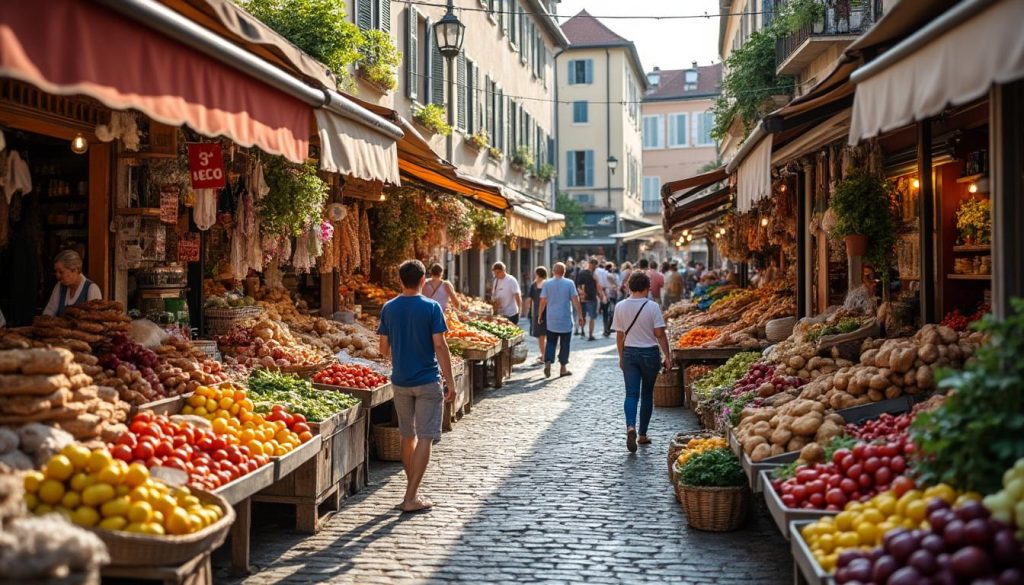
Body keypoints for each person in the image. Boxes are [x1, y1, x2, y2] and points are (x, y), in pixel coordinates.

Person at [377, 260, 457, 513]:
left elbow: (382, 348)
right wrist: (450, 381)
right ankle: (411, 497)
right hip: (427, 381)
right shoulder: (432, 307)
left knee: (406, 436)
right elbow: (440, 346)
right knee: (425, 437)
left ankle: (413, 490)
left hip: (400, 380)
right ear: (424, 280)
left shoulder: (388, 308)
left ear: (400, 280)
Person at [612, 271, 672, 453]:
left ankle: (630, 426)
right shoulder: (652, 307)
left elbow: (619, 336)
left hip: (629, 353)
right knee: (646, 395)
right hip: (649, 354)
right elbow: (660, 334)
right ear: (647, 288)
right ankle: (642, 435)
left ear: (629, 287)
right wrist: (667, 356)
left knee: (631, 394)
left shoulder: (620, 306)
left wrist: (621, 356)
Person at [537, 262, 584, 378]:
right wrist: (580, 316)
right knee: (565, 344)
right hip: (565, 319)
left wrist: (539, 315)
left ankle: (548, 361)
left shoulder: (547, 284)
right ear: (564, 272)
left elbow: (542, 301)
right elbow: (575, 300)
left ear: (553, 271)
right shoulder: (569, 283)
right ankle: (563, 368)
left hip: (551, 319)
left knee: (551, 342)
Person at [43, 250, 101, 317]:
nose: (57, 276)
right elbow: (49, 312)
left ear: (74, 270)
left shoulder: (91, 289)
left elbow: (94, 319)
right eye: (56, 272)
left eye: (61, 272)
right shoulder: (59, 287)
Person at [575, 258, 606, 341]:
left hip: (586, 297)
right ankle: (588, 334)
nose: (594, 266)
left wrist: (582, 293)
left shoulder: (585, 273)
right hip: (590, 297)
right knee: (591, 316)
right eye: (594, 265)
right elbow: (597, 286)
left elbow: (578, 285)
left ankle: (585, 332)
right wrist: (601, 295)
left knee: (586, 316)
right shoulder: (590, 274)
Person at [522, 266, 548, 364]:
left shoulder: (534, 285)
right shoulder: (548, 284)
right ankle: (547, 354)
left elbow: (529, 300)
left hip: (537, 313)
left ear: (537, 274)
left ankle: (543, 355)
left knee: (541, 336)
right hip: (549, 313)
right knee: (549, 334)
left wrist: (527, 311)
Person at [601, 262, 619, 338]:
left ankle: (606, 329)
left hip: (605, 294)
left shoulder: (602, 275)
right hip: (612, 295)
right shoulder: (612, 275)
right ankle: (608, 328)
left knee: (605, 313)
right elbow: (615, 285)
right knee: (611, 312)